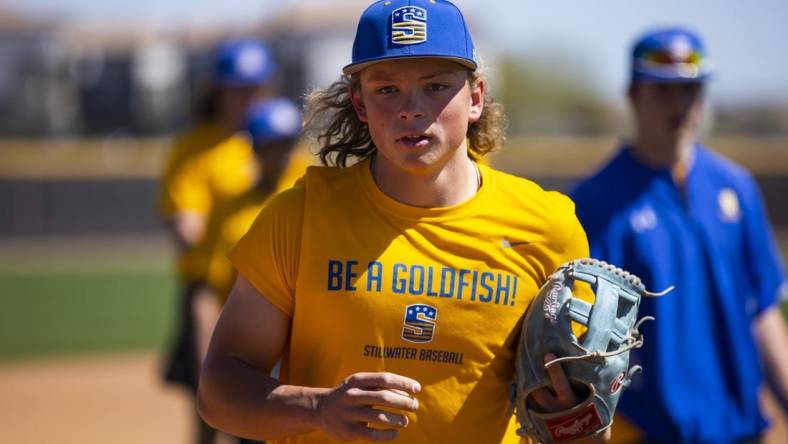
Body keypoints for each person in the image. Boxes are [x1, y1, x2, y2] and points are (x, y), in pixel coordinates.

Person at [197, 1, 608, 443]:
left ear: (475, 97)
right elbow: (219, 392)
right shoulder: (299, 217)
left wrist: (573, 414)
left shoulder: (546, 226)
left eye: (435, 87)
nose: (410, 109)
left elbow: (589, 429)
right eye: (386, 89)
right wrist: (318, 408)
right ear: (359, 101)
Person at [570, 27, 788, 444]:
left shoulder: (735, 186)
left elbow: (762, 309)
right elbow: (586, 341)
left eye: (691, 90)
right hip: (648, 430)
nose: (680, 105)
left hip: (739, 426)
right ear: (633, 96)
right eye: (662, 91)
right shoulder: (596, 202)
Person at [158, 38, 277, 444]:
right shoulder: (195, 148)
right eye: (236, 88)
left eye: (253, 87)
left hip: (269, 290)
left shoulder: (275, 143)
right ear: (218, 91)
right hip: (209, 288)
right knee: (207, 405)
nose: (244, 97)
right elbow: (186, 226)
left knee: (261, 408)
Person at [185, 97, 304, 444]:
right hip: (247, 342)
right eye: (271, 145)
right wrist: (206, 354)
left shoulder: (311, 198)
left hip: (298, 344)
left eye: (286, 144)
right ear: (254, 149)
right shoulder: (230, 213)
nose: (279, 154)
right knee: (218, 422)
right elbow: (207, 291)